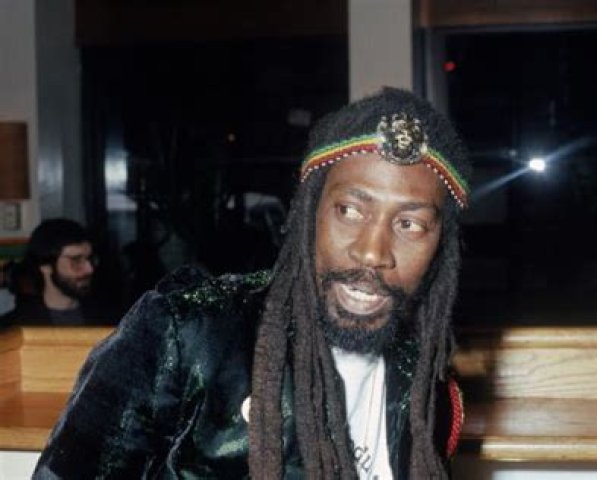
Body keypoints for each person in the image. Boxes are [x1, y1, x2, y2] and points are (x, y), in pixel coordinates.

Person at [33, 87, 471, 479]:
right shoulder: (187, 334)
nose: (373, 252)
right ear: (308, 214)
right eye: (350, 211)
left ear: (440, 248)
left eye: (410, 224)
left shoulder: (427, 386)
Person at [2, 218, 99, 326]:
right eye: (76, 260)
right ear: (45, 266)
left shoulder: (108, 321)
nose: (89, 269)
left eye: (90, 259)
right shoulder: (12, 328)